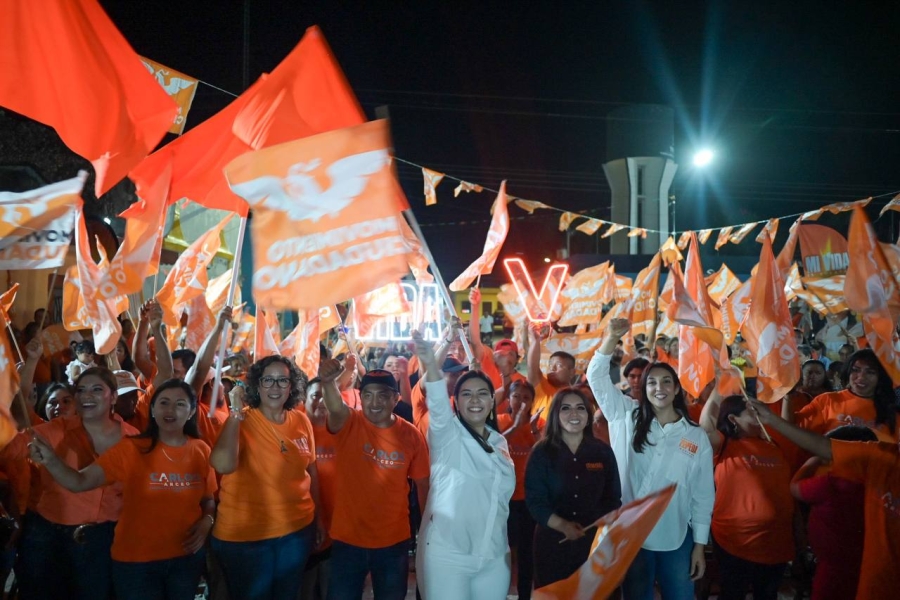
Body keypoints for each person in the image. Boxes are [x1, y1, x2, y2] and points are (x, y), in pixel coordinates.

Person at [29, 379, 217, 600]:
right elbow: (79, 481)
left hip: (185, 560)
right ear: (152, 409)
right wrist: (50, 460)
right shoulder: (131, 448)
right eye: (164, 402)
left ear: (192, 411)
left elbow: (208, 499)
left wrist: (207, 522)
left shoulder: (201, 450)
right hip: (138, 562)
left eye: (180, 404)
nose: (170, 410)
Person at [587, 318, 714, 600]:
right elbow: (595, 378)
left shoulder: (695, 436)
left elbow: (703, 494)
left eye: (667, 381)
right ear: (643, 388)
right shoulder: (625, 416)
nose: (660, 388)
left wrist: (699, 544)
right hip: (630, 537)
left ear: (677, 389)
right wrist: (611, 338)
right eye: (652, 382)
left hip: (676, 537)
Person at [748, 397, 900, 599]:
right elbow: (826, 446)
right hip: (874, 585)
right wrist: (770, 418)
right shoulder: (883, 458)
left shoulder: (834, 482)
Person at [10, 367, 140, 600]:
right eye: (80, 390)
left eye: (96, 389)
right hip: (50, 537)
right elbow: (13, 448)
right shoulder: (56, 428)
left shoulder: (133, 439)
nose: (86, 395)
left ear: (113, 397)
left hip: (104, 541)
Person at [411, 330, 516, 600]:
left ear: (492, 401)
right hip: (449, 555)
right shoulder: (447, 435)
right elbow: (436, 402)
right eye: (466, 394)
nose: (475, 400)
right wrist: (430, 363)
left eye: (482, 393)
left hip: (494, 556)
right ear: (456, 402)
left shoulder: (499, 443)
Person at [210, 355, 320, 600]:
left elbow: (311, 471)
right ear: (257, 385)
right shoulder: (242, 419)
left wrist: (319, 518)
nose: (275, 387)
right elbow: (222, 464)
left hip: (297, 531)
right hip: (246, 538)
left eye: (282, 380)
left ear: (291, 386)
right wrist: (235, 413)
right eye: (268, 380)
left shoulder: (301, 420)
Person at [320, 359, 430, 600]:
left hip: (393, 541)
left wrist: (426, 528)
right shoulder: (348, 422)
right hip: (348, 539)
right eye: (368, 395)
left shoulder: (411, 435)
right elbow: (335, 408)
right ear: (361, 398)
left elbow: (422, 484)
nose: (375, 402)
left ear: (396, 399)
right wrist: (327, 383)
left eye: (383, 395)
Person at [699, 392, 794, 600]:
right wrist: (718, 388)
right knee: (733, 593)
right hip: (734, 541)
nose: (761, 416)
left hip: (776, 541)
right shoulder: (723, 444)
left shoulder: (773, 444)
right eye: (753, 412)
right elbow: (705, 429)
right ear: (733, 419)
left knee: (767, 595)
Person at [525, 388, 621, 589]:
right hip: (552, 543)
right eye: (566, 408)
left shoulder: (603, 452)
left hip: (595, 545)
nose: (574, 413)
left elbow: (613, 499)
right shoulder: (542, 452)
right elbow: (535, 502)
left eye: (580, 408)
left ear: (588, 415)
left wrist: (600, 526)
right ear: (555, 414)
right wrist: (563, 525)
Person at [791, 425, 876, 600]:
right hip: (866, 562)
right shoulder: (877, 483)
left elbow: (795, 488)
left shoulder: (832, 484)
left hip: (832, 567)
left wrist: (813, 461)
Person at [793, 349, 899, 442]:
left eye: (870, 372)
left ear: (880, 377)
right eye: (855, 370)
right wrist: (788, 393)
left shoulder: (892, 411)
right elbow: (794, 429)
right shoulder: (827, 400)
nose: (861, 377)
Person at [497, 380, 539, 600]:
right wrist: (515, 427)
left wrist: (534, 430)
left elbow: (546, 453)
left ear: (532, 401)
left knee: (526, 555)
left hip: (527, 500)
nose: (521, 402)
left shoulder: (539, 423)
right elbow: (492, 448)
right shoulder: (499, 421)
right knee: (501, 552)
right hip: (502, 499)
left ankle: (524, 596)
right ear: (508, 399)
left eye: (526, 397)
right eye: (516, 396)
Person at [300, 377, 337, 600]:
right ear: (304, 399)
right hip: (304, 525)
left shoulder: (343, 430)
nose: (321, 402)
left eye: (327, 396)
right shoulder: (294, 430)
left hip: (338, 530)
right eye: (315, 396)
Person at [527, 326, 577, 427]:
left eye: (559, 365)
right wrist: (536, 340)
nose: (552, 369)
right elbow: (532, 367)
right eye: (550, 365)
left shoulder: (578, 396)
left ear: (572, 372)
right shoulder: (542, 386)